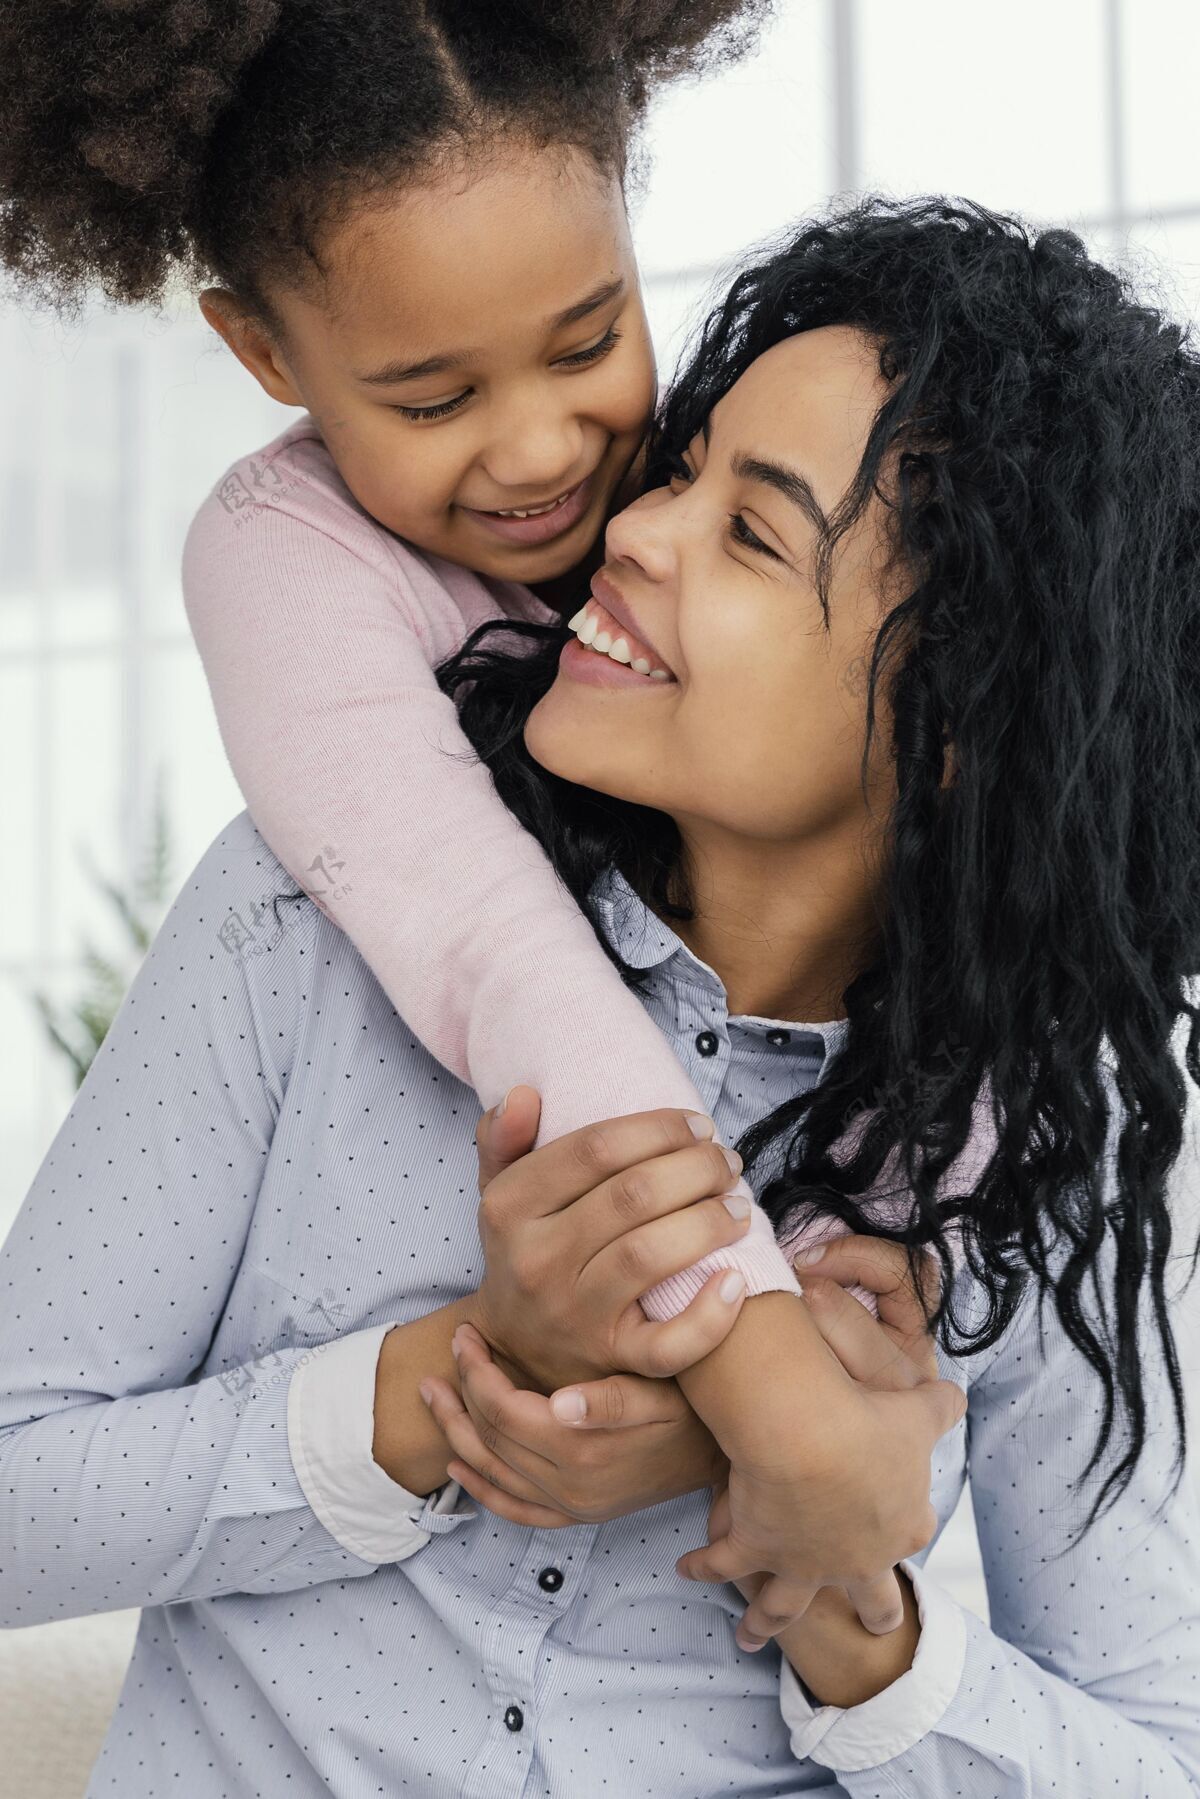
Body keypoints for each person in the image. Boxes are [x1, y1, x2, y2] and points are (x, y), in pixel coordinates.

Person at [1, 194, 1197, 1795]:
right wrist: (457, 1384)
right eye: (688, 469)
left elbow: (1155, 1753)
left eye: (751, 533)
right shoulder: (303, 917)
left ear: (963, 721)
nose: (632, 529)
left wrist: (851, 1607)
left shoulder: (1061, 1138)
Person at [0, 0, 940, 1644]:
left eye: (589, 343)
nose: (544, 455)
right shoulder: (282, 564)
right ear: (268, 358)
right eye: (430, 400)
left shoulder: (699, 479)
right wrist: (755, 1366)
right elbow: (478, 927)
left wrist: (880, 1313)